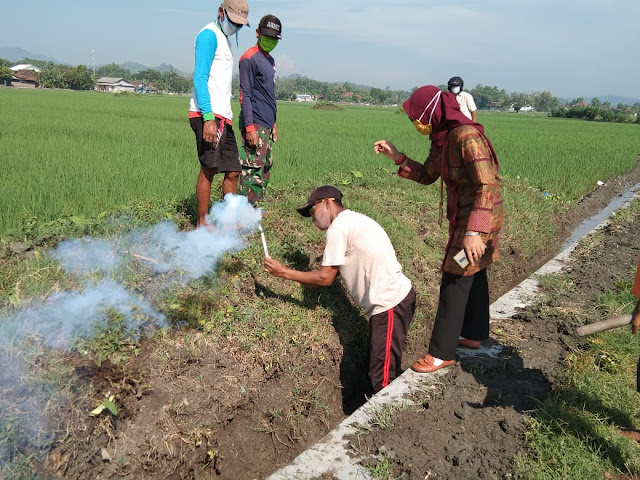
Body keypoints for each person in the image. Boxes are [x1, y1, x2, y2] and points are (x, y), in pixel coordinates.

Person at [374, 85, 503, 374]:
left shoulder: (467, 137)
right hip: (465, 217)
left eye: (417, 117)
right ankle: (472, 334)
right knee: (474, 267)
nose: (416, 123)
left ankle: (441, 352)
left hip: (479, 217)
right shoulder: (443, 140)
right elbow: (429, 175)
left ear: (432, 112)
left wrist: (474, 233)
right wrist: (398, 157)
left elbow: (487, 184)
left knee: (455, 275)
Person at [263, 186, 416, 392]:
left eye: (312, 211)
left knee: (382, 380)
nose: (313, 219)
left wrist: (284, 272)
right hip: (398, 298)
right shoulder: (354, 219)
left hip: (389, 304)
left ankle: (393, 422)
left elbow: (325, 278)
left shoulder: (338, 228)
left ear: (327, 202)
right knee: (386, 369)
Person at [189, 0, 250, 228]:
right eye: (233, 21)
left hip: (223, 116)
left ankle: (229, 220)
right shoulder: (208, 35)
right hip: (207, 115)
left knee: (233, 170)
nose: (235, 26)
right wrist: (207, 118)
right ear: (220, 12)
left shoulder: (225, 40)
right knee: (210, 167)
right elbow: (200, 78)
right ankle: (202, 222)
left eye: (240, 24)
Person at [237, 14, 282, 206]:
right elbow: (245, 94)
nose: (270, 41)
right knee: (251, 170)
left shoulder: (270, 60)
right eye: (267, 36)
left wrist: (273, 123)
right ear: (257, 33)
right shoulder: (249, 58)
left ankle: (255, 210)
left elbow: (268, 94)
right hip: (254, 121)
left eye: (274, 39)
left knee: (265, 167)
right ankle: (242, 216)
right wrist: (249, 128)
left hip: (267, 123)